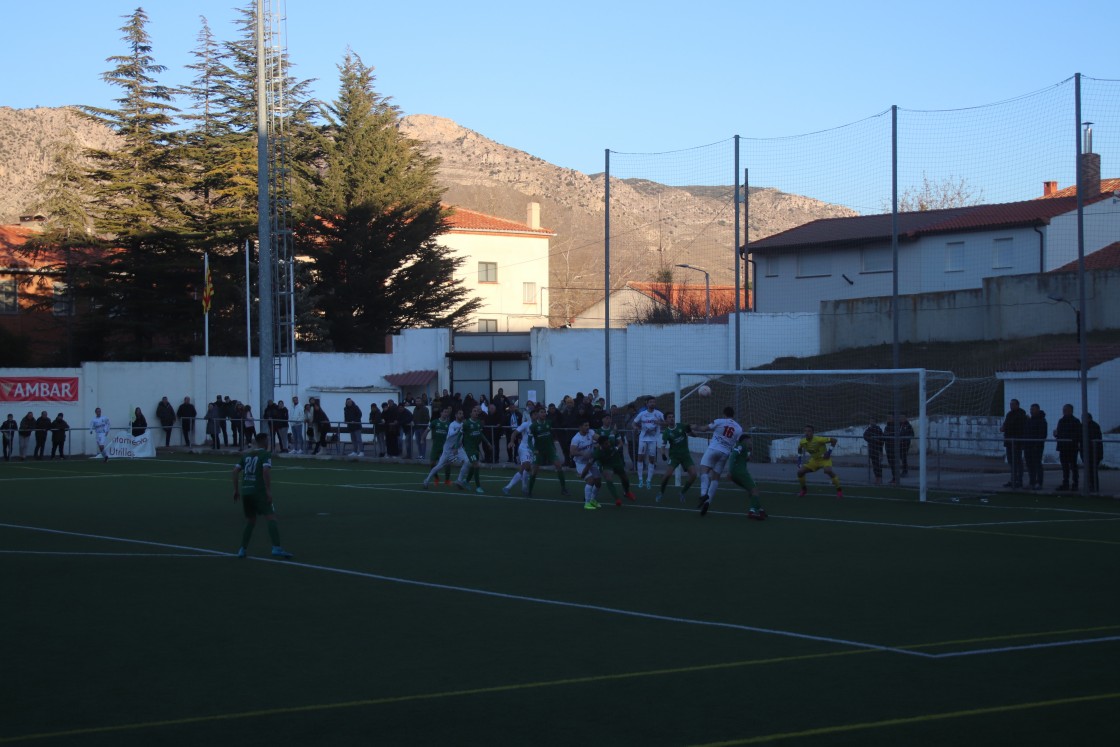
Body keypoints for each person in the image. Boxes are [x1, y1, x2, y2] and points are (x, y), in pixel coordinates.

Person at [232, 432, 293, 559]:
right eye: (268, 440)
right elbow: (265, 470)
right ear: (264, 441)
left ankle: (242, 549)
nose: (269, 442)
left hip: (246, 492)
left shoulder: (247, 455)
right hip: (258, 491)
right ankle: (276, 548)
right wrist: (268, 490)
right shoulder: (265, 454)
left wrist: (236, 490)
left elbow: (235, 470)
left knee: (250, 521)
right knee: (271, 517)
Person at [693, 406, 745, 514]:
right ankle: (708, 501)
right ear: (733, 415)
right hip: (725, 453)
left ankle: (703, 494)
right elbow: (740, 442)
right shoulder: (739, 428)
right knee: (715, 477)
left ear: (724, 414)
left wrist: (693, 427)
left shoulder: (719, 421)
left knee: (704, 470)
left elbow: (704, 429)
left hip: (713, 449)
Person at [528, 406, 570, 497]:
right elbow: (529, 441)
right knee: (534, 470)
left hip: (550, 449)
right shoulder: (533, 426)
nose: (543, 414)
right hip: (539, 451)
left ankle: (563, 489)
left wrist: (553, 446)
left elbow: (551, 436)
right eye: (541, 412)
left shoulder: (548, 423)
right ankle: (529, 491)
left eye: (544, 412)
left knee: (559, 466)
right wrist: (533, 449)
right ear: (538, 414)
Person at [656, 412, 698, 503]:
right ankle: (661, 492)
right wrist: (663, 454)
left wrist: (690, 431)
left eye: (673, 417)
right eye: (669, 417)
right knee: (667, 475)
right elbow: (663, 445)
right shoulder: (667, 432)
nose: (672, 418)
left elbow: (694, 435)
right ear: (666, 420)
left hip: (685, 455)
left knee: (694, 474)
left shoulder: (681, 426)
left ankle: (682, 493)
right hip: (674, 457)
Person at [726, 433, 766, 520]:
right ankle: (752, 512)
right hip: (740, 473)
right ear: (745, 440)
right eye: (750, 440)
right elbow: (732, 457)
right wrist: (729, 471)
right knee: (755, 490)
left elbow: (744, 459)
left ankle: (760, 510)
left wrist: (749, 453)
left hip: (736, 473)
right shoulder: (741, 445)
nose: (751, 442)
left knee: (751, 490)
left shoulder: (741, 447)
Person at [796, 424, 842, 499]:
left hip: (824, 459)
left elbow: (834, 440)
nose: (807, 433)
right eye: (805, 431)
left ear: (813, 433)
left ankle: (839, 490)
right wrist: (799, 460)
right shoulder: (802, 441)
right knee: (800, 472)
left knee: (828, 471)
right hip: (814, 460)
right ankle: (804, 490)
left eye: (809, 431)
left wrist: (829, 452)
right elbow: (799, 448)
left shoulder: (819, 439)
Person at [423, 409, 466, 488]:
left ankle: (459, 481)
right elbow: (451, 434)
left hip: (458, 448)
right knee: (439, 465)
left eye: (462, 413)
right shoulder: (452, 424)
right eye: (460, 413)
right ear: (456, 415)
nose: (461, 415)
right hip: (448, 449)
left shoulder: (463, 424)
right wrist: (459, 429)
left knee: (467, 462)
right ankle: (427, 480)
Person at [454, 405, 491, 493]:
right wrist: (456, 447)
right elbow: (459, 434)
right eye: (474, 411)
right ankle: (478, 487)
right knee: (476, 465)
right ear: (470, 413)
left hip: (476, 448)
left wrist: (488, 443)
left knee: (473, 466)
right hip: (469, 449)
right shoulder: (466, 424)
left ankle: (466, 481)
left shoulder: (479, 423)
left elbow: (481, 434)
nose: (476, 412)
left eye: (477, 411)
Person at [632, 397, 666, 489]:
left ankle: (649, 481)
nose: (652, 403)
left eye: (654, 402)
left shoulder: (658, 414)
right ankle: (640, 480)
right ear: (646, 403)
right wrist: (636, 428)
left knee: (652, 460)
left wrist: (659, 422)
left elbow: (666, 422)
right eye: (650, 402)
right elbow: (634, 423)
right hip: (642, 439)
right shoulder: (642, 414)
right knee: (640, 458)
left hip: (653, 440)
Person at [502, 409, 535, 496]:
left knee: (527, 469)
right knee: (525, 465)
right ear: (531, 416)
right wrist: (511, 441)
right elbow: (514, 433)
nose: (537, 416)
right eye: (535, 414)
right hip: (524, 448)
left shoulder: (539, 425)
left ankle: (524, 487)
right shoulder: (526, 424)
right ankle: (507, 487)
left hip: (533, 450)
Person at [568, 420, 600, 509]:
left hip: (591, 461)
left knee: (598, 482)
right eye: (585, 425)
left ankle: (593, 500)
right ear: (580, 427)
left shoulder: (590, 432)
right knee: (590, 480)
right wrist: (582, 453)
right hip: (580, 463)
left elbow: (598, 438)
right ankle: (587, 503)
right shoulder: (576, 438)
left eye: (588, 425)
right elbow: (572, 451)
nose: (587, 427)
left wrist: (604, 440)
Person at [1053, 404, 1082, 491]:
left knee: (1073, 466)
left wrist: (1069, 439)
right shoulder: (1061, 421)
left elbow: (1078, 434)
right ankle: (1065, 483)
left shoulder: (1076, 421)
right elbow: (1059, 433)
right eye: (1064, 410)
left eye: (1066, 410)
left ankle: (1075, 483)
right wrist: (1056, 434)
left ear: (1071, 411)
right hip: (1062, 447)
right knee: (1065, 466)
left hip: (1072, 448)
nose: (1064, 411)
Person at [1000, 399, 1028, 489]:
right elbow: (1006, 424)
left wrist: (1007, 427)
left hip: (1017, 442)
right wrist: (1003, 427)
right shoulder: (1009, 414)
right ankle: (1013, 479)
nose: (1011, 406)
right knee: (1011, 462)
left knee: (1017, 462)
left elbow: (1016, 427)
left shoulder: (1021, 414)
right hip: (1009, 442)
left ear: (1017, 405)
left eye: (1012, 404)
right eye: (1010, 404)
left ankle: (1019, 480)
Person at [428, 407, 455, 485]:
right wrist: (423, 438)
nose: (446, 413)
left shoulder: (449, 424)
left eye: (447, 412)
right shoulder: (435, 422)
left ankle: (447, 480)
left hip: (446, 447)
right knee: (432, 463)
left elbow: (452, 435)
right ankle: (436, 478)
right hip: (436, 446)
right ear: (441, 413)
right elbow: (427, 429)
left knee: (448, 464)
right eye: (444, 412)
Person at [1024, 403, 1048, 490]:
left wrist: (1037, 445)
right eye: (1031, 409)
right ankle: (1032, 482)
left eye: (1033, 409)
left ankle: (1039, 483)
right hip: (1028, 446)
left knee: (1037, 464)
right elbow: (1026, 432)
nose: (1031, 411)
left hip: (1036, 447)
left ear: (1037, 410)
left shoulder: (1042, 421)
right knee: (1030, 465)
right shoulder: (1029, 420)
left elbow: (1042, 434)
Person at [863, 418, 885, 485]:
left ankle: (879, 478)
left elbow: (882, 440)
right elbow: (865, 436)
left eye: (872, 421)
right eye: (870, 421)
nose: (871, 422)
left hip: (877, 450)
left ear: (875, 422)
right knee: (874, 465)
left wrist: (880, 451)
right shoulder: (869, 429)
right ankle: (877, 478)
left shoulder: (878, 429)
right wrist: (871, 439)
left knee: (877, 465)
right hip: (872, 450)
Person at [1085, 412, 1103, 493]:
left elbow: (1096, 441)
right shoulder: (1084, 426)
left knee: (1093, 470)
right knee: (1090, 470)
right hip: (1087, 452)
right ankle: (1091, 485)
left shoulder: (1094, 426)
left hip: (1094, 452)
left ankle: (1094, 486)